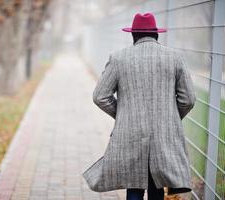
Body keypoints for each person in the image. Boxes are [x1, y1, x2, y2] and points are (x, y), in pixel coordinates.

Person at [82, 13, 196, 200]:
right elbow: (188, 99)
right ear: (156, 35)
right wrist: (171, 117)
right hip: (163, 133)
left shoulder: (119, 58)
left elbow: (100, 96)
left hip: (130, 133)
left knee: (133, 185)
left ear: (133, 35)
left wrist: (123, 114)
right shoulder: (175, 58)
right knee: (157, 186)